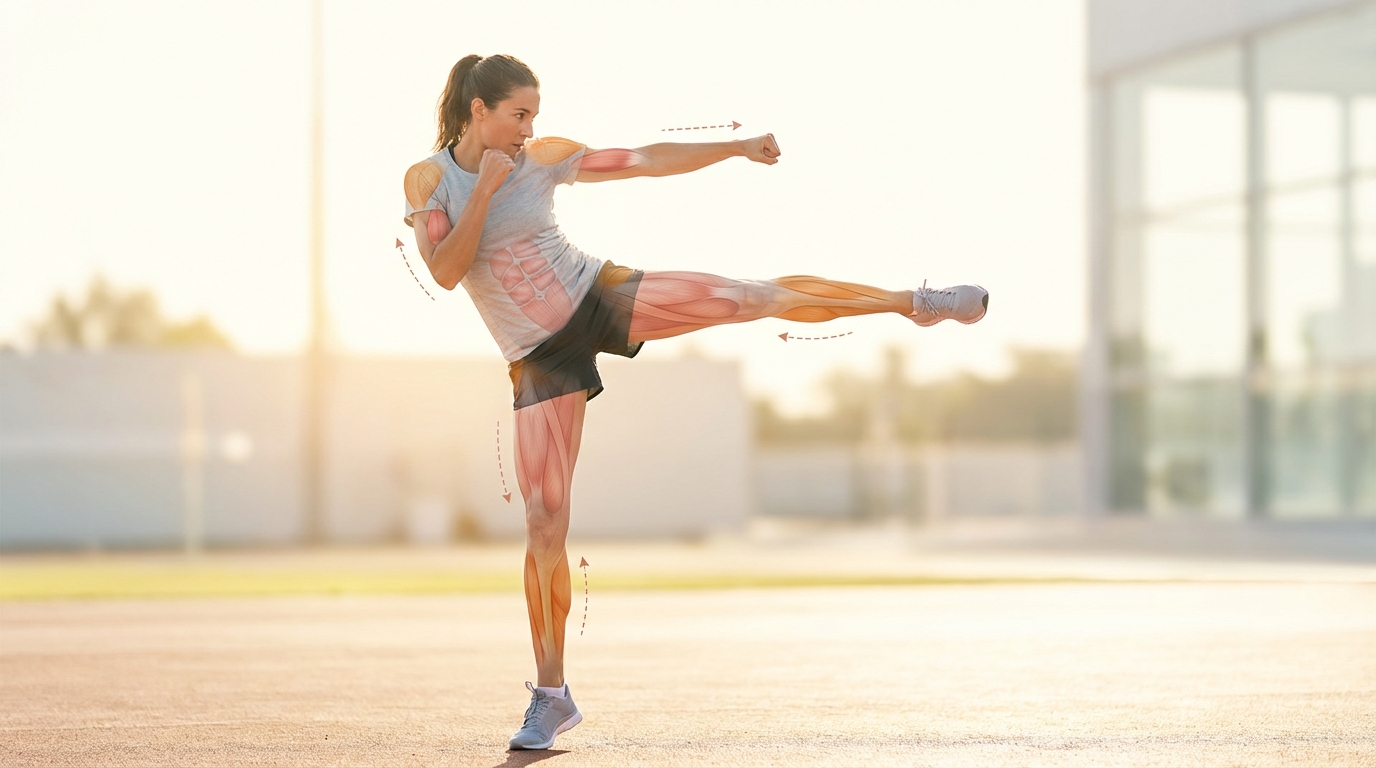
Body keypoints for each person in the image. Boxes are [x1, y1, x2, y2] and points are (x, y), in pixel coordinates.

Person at [403, 54, 988, 751]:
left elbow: (645, 158)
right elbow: (443, 272)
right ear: (478, 112)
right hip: (538, 355)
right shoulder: (430, 179)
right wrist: (484, 192)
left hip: (599, 293)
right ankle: (551, 696)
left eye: (535, 115)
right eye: (518, 115)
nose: (531, 129)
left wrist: (734, 146)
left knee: (747, 297)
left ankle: (911, 302)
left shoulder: (543, 158)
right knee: (544, 522)